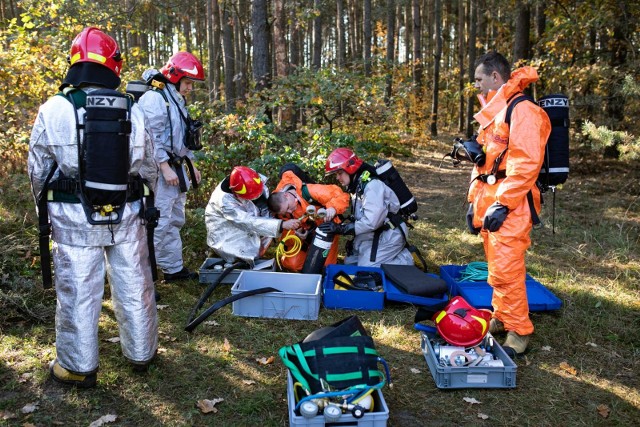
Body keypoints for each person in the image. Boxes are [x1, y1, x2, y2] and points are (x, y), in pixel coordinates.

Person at [28, 27, 158, 387]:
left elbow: (37, 169)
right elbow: (148, 165)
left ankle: (77, 367)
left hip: (72, 219)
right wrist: (148, 203)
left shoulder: (54, 108)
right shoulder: (132, 107)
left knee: (78, 293)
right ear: (114, 66)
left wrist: (46, 206)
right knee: (135, 285)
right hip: (127, 214)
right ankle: (141, 353)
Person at [467, 51, 551, 356]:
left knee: (507, 267)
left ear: (495, 77)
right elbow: (485, 165)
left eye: (479, 78)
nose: (475, 84)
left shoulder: (523, 111)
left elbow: (526, 164)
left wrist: (503, 203)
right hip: (493, 197)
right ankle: (502, 316)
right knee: (496, 265)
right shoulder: (495, 113)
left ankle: (519, 329)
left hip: (513, 201)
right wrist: (473, 201)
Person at [138, 51, 205, 281]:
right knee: (157, 222)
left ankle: (173, 268)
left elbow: (181, 138)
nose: (189, 88)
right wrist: (164, 166)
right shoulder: (155, 99)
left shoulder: (175, 100)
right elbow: (151, 137)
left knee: (175, 219)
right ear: (174, 76)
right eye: (187, 83)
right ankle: (143, 278)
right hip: (159, 172)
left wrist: (191, 164)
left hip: (175, 168)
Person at [320, 148, 413, 267]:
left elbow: (371, 221)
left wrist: (342, 229)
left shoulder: (372, 186)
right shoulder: (358, 185)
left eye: (339, 173)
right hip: (375, 232)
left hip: (390, 234)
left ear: (350, 168)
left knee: (367, 268)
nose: (337, 178)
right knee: (350, 263)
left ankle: (406, 259)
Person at [205, 166, 301, 265]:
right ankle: (230, 259)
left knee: (263, 230)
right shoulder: (225, 201)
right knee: (236, 251)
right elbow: (247, 221)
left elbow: (262, 203)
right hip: (225, 228)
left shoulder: (250, 178)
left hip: (244, 218)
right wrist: (280, 225)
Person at [267, 168, 350, 272]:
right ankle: (309, 270)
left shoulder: (310, 191)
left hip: (325, 231)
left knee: (326, 267)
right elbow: (286, 238)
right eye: (286, 211)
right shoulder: (279, 210)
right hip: (306, 240)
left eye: (289, 207)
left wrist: (332, 208)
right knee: (292, 264)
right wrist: (298, 235)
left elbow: (341, 196)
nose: (290, 211)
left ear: (287, 195)